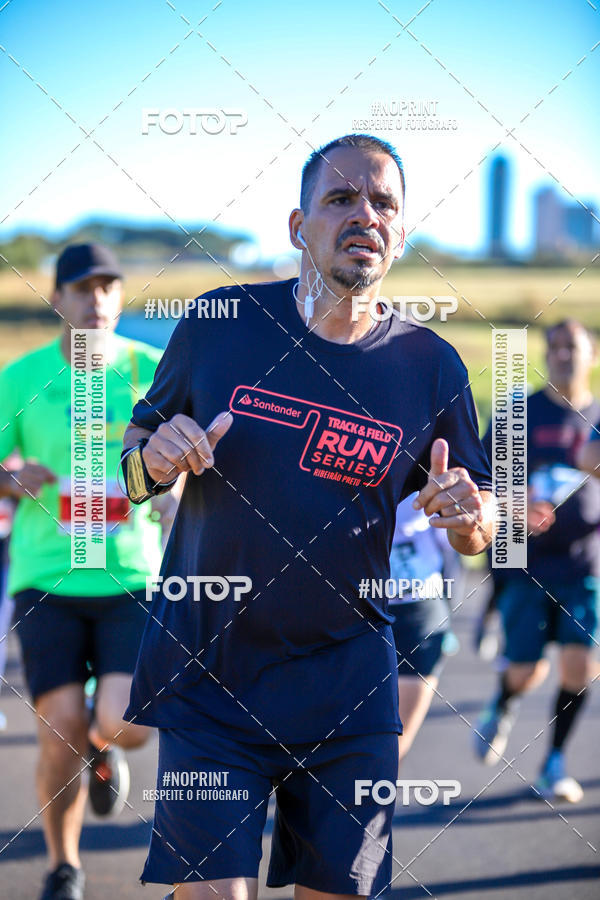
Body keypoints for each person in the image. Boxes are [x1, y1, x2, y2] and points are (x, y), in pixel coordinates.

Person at [121, 133, 495, 900]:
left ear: (399, 231)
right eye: (341, 199)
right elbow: (132, 460)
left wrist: (469, 516)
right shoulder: (219, 322)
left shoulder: (431, 366)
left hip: (349, 687)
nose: (366, 215)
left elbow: (481, 522)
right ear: (298, 226)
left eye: (384, 203)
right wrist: (153, 461)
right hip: (210, 675)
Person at [0, 243, 175, 899]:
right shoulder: (21, 378)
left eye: (109, 287)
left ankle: (105, 752)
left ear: (121, 298)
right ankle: (63, 865)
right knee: (61, 729)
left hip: (131, 577)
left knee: (125, 727)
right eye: (82, 287)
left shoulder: (152, 371)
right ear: (58, 300)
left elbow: (192, 457)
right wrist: (11, 479)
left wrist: (178, 481)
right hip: (47, 579)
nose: (97, 298)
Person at [474, 319, 600, 804]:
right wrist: (514, 501)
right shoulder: (515, 416)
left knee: (579, 666)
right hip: (523, 563)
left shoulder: (598, 419)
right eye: (556, 346)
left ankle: (554, 763)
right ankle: (503, 703)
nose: (564, 354)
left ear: (592, 355)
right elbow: (481, 485)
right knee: (528, 669)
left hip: (585, 566)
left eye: (575, 345)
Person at [388, 492, 459, 765]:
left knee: (393, 749)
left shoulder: (422, 462)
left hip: (417, 610)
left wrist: (448, 615)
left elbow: (455, 551)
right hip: (348, 611)